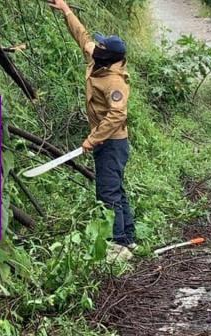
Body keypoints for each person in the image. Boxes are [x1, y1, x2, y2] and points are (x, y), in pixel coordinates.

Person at [50, 0, 137, 255]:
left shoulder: (114, 82)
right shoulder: (97, 60)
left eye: (100, 46)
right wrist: (66, 10)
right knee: (116, 189)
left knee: (108, 193)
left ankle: (117, 244)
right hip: (105, 141)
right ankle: (128, 237)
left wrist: (92, 139)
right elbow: (82, 35)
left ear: (107, 55)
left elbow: (117, 116)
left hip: (112, 143)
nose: (94, 47)